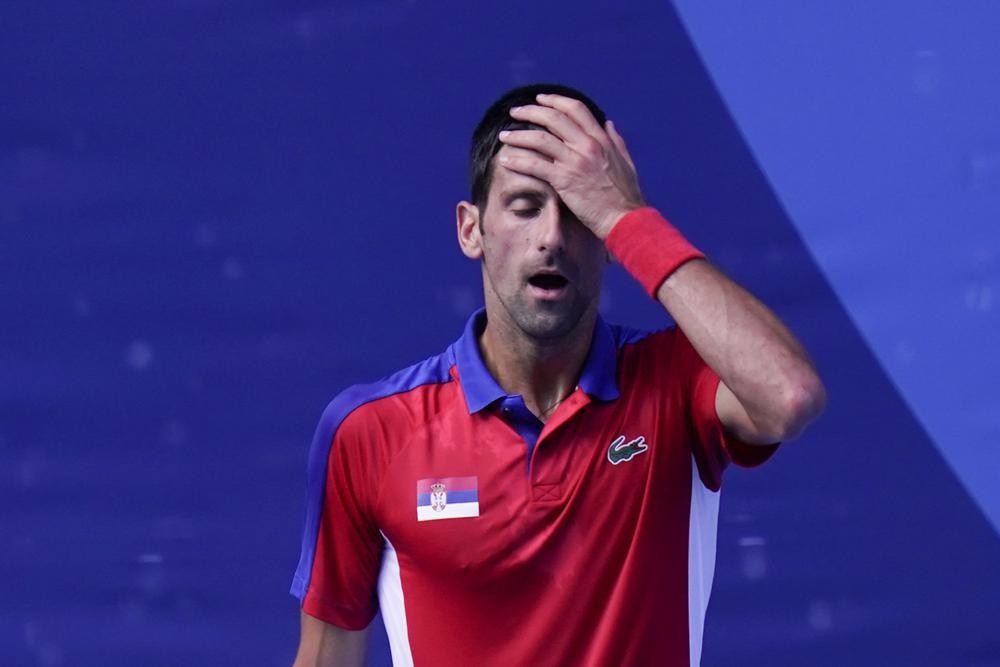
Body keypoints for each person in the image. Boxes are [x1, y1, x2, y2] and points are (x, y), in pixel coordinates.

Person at [290, 83, 826, 667]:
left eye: (578, 213)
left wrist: (627, 216)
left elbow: (788, 395)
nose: (551, 237)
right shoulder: (370, 431)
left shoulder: (676, 383)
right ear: (471, 229)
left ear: (610, 241)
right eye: (525, 207)